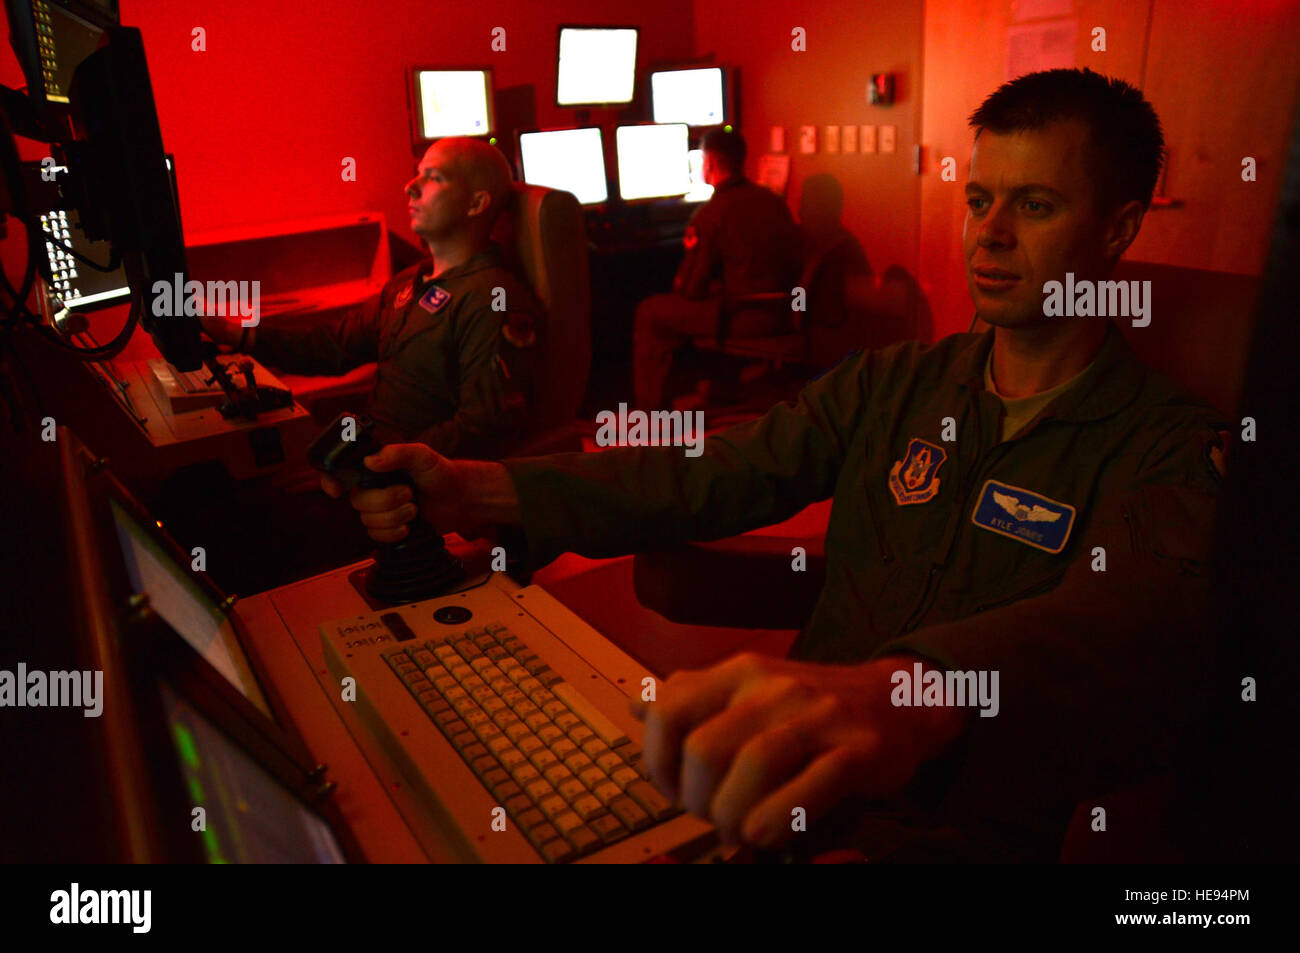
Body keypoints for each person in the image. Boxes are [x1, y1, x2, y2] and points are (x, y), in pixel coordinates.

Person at [323, 69, 1229, 861]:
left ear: (1118, 231)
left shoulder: (1168, 444)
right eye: (978, 198)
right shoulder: (896, 383)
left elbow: (1131, 621)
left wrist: (905, 694)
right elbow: (713, 468)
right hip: (787, 802)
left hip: (948, 837)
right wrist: (481, 484)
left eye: (1034, 205)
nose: (988, 234)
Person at [202, 136, 542, 460]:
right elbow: (333, 347)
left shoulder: (492, 299)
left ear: (476, 203)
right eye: (418, 173)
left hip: (408, 479)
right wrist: (237, 334)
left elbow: (482, 429)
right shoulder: (409, 282)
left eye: (434, 177)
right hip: (370, 452)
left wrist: (381, 460)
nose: (410, 186)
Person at [632, 128, 801, 410]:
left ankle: (651, 413)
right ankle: (724, 388)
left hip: (746, 317)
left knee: (650, 312)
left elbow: (690, 289)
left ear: (709, 164)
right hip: (787, 313)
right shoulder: (774, 202)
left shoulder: (710, 214)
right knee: (720, 295)